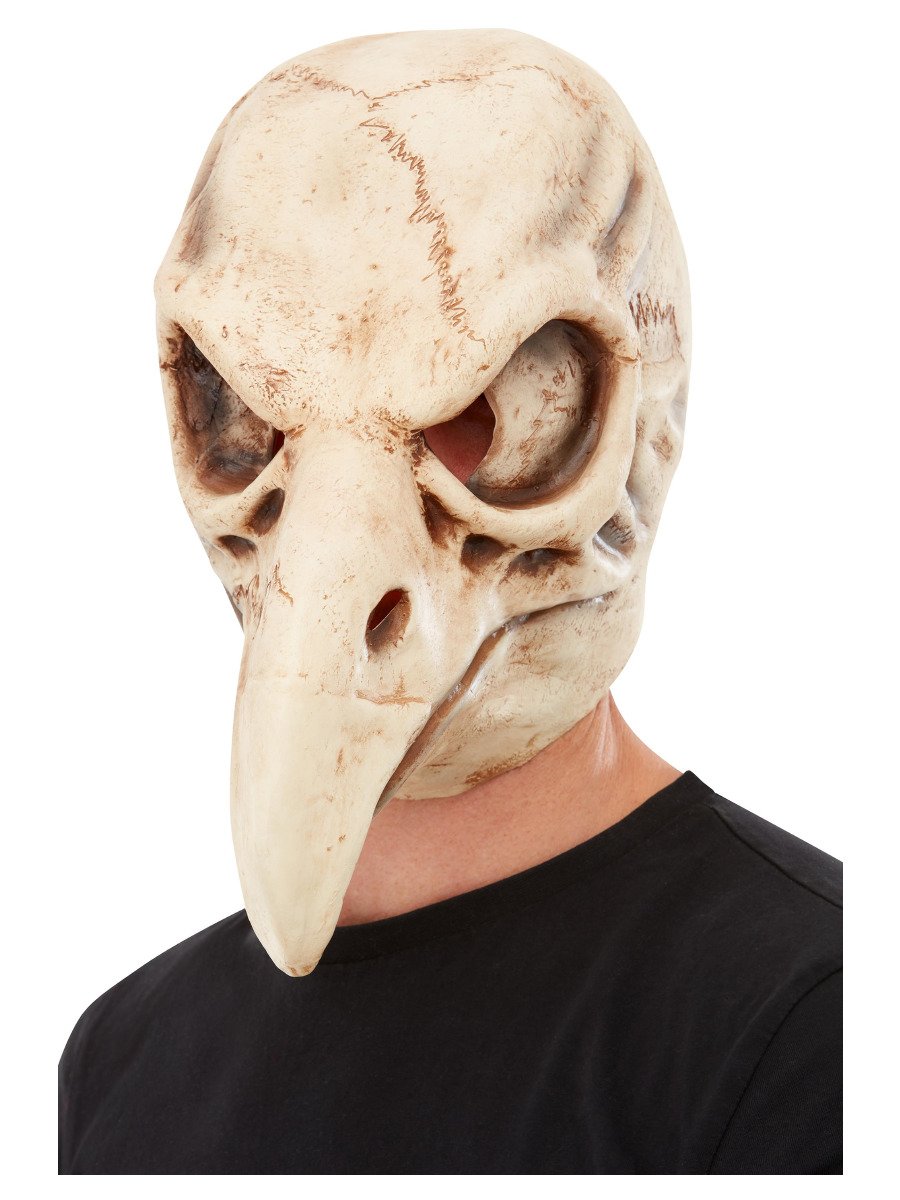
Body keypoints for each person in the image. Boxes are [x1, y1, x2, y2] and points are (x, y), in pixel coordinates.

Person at [58, 29, 842, 1175]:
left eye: (507, 400)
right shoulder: (117, 1061)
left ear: (638, 417)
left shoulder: (820, 1032)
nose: (333, 557)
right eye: (246, 401)